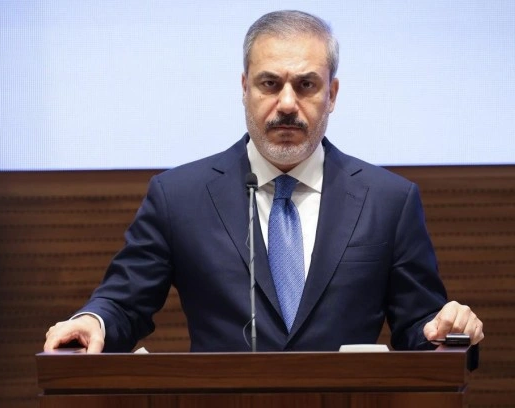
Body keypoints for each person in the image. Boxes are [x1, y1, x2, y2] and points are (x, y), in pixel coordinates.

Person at [44, 10, 484, 353]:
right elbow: (124, 303)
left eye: (306, 85)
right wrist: (93, 322)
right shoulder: (179, 197)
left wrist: (447, 331)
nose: (287, 103)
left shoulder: (388, 200)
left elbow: (420, 328)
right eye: (270, 83)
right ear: (244, 89)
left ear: (332, 94)